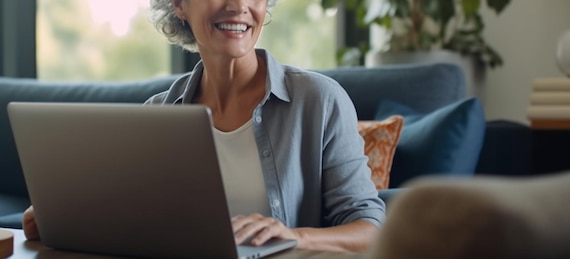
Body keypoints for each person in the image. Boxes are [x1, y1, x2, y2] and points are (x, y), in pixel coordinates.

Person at [23, 0, 386, 253]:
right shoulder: (157, 115)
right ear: (180, 5)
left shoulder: (318, 100)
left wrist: (293, 237)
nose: (237, 5)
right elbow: (136, 224)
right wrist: (63, 218)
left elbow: (370, 228)